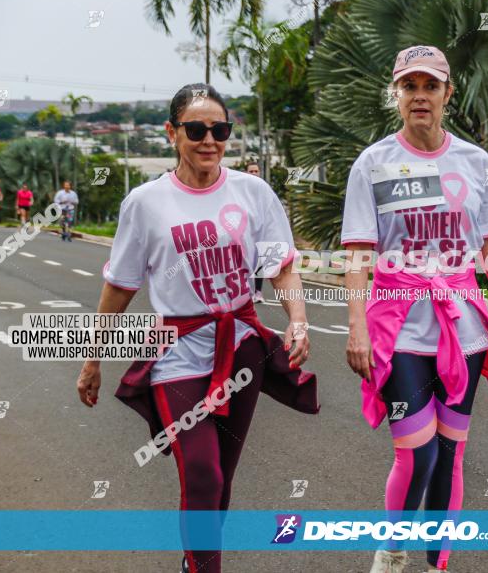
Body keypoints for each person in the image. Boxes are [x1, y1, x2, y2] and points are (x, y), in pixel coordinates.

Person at [75, 84, 319, 573]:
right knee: (202, 474)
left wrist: (297, 320)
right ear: (172, 133)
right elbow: (119, 288)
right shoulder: (145, 203)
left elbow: (281, 266)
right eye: (196, 129)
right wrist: (92, 359)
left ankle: (196, 562)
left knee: (222, 477)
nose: (209, 140)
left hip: (242, 351)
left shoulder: (253, 193)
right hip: (176, 353)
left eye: (220, 129)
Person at [341, 46, 488, 573]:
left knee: (452, 454)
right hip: (399, 327)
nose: (420, 96)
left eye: (431, 86)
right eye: (410, 87)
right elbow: (359, 256)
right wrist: (357, 329)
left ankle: (438, 565)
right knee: (419, 453)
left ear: (448, 94)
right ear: (398, 95)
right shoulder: (374, 164)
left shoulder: (477, 165)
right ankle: (392, 552)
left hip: (464, 328)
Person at [244, 160, 265, 303]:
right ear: (246, 173)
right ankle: (245, 291)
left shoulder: (264, 189)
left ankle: (258, 292)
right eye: (251, 171)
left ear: (260, 173)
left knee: (259, 262)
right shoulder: (242, 189)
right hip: (244, 231)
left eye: (255, 171)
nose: (253, 173)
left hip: (260, 231)